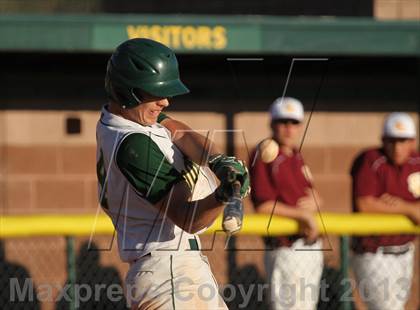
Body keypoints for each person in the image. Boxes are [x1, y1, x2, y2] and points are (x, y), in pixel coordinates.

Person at [96, 38, 250, 309]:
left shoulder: (128, 117)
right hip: (168, 273)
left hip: (176, 270)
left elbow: (178, 131)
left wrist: (218, 161)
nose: (165, 102)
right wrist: (223, 195)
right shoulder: (133, 145)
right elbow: (187, 217)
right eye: (154, 93)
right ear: (126, 92)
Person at [250, 97, 324, 310]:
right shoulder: (265, 152)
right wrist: (303, 215)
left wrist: (317, 200)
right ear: (272, 123)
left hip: (309, 245)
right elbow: (263, 207)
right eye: (283, 122)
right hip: (286, 247)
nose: (289, 128)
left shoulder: (296, 154)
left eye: (294, 123)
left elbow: (313, 194)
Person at [350, 112, 420, 310]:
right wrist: (409, 209)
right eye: (392, 141)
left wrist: (402, 207)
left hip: (405, 251)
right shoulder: (371, 160)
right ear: (383, 140)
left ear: (413, 141)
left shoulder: (416, 162)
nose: (397, 147)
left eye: (403, 140)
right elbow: (364, 204)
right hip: (374, 252)